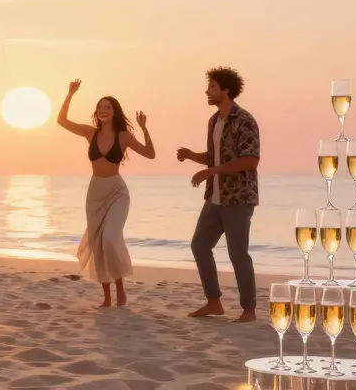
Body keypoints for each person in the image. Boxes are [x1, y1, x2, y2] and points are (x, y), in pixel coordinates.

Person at [57, 80, 156, 307]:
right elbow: (61, 121)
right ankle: (107, 297)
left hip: (117, 192)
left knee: (110, 238)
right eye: (100, 107)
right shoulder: (89, 133)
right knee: (98, 243)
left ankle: (120, 287)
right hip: (95, 194)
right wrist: (70, 93)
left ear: (115, 112)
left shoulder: (124, 136)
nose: (103, 110)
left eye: (107, 107)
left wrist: (144, 128)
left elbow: (150, 154)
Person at [176, 66, 261, 323]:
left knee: (237, 253)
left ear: (225, 90)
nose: (207, 91)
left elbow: (251, 161)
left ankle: (249, 310)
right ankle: (214, 302)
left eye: (212, 87)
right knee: (200, 245)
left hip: (238, 198)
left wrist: (212, 170)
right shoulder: (214, 120)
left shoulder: (244, 120)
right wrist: (192, 156)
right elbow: (214, 157)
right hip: (215, 197)